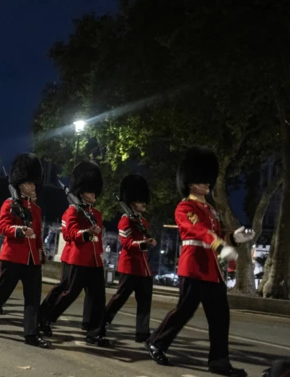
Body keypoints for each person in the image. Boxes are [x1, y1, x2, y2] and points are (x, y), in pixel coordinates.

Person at [146, 147, 255, 377]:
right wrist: (218, 244)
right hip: (193, 266)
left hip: (212, 270)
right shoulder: (185, 207)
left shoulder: (212, 210)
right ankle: (157, 342)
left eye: (208, 179)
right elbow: (196, 230)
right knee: (184, 311)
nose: (207, 184)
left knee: (220, 317)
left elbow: (219, 236)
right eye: (202, 180)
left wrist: (235, 238)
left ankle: (219, 361)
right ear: (190, 183)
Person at [0, 153, 50, 348]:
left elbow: (36, 233)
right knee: (2, 292)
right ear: (19, 184)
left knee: (33, 298)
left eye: (34, 184)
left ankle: (31, 333)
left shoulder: (36, 210)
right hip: (12, 257)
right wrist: (19, 230)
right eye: (29, 183)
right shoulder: (10, 204)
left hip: (31, 259)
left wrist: (40, 250)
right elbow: (3, 227)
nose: (33, 187)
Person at [38, 161, 110, 347]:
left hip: (94, 261)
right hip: (77, 259)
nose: (93, 195)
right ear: (81, 192)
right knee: (68, 293)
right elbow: (70, 235)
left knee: (98, 297)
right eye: (89, 191)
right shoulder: (72, 212)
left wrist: (100, 254)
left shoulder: (97, 214)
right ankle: (46, 318)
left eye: (94, 192)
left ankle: (95, 332)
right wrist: (87, 233)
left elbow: (98, 240)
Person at [100, 174, 156, 342]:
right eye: (140, 202)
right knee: (120, 298)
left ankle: (142, 332)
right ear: (132, 203)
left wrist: (149, 241)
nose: (143, 204)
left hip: (143, 268)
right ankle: (101, 322)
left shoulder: (143, 222)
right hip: (130, 266)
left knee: (145, 301)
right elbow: (126, 242)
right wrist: (143, 244)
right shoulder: (125, 221)